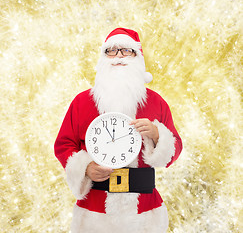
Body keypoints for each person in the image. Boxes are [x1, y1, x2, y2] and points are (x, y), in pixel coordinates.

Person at [54, 28, 182, 233]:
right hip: (95, 211)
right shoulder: (81, 102)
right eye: (111, 51)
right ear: (103, 58)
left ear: (137, 58)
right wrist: (85, 168)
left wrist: (157, 135)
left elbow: (175, 148)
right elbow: (63, 144)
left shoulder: (156, 102)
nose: (119, 56)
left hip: (145, 211)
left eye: (126, 50)